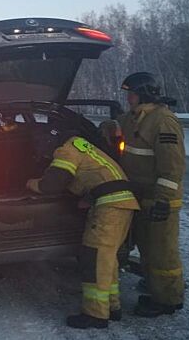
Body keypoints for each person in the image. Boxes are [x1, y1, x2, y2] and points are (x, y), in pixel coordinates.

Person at [26, 126, 139, 329]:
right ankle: (112, 307)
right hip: (123, 202)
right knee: (107, 258)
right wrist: (88, 196)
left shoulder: (66, 150)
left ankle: (96, 315)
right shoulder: (82, 145)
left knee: (94, 258)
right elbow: (97, 175)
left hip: (110, 207)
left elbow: (51, 185)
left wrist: (31, 183)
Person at [100, 72, 186, 317]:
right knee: (147, 249)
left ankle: (168, 300)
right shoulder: (136, 117)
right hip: (140, 196)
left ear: (144, 94)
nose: (129, 99)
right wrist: (108, 124)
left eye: (132, 94)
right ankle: (154, 285)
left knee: (162, 253)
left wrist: (163, 200)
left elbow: (173, 167)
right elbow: (120, 123)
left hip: (160, 199)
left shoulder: (163, 121)